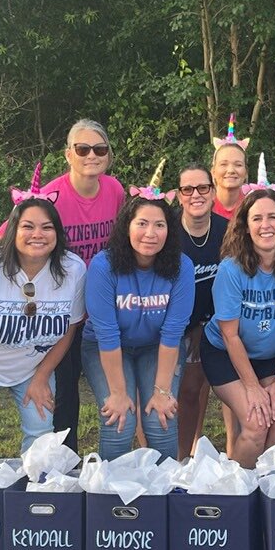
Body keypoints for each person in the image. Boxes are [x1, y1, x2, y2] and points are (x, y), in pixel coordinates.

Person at [0, 119, 126, 452]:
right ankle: (63, 461)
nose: (91, 155)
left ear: (108, 155)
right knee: (64, 389)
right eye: (82, 149)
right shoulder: (50, 197)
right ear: (69, 154)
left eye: (100, 149)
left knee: (116, 385)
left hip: (101, 305)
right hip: (59, 307)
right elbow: (4, 237)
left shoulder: (114, 190)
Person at [0, 193, 86, 459]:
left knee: (41, 430)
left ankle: (33, 485)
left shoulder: (73, 269)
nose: (38, 234)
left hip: (33, 365)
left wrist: (42, 376)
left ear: (58, 233)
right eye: (28, 226)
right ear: (13, 230)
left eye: (47, 227)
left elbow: (69, 329)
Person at [200, 188, 275, 468]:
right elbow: (230, 335)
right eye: (257, 219)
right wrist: (252, 387)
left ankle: (266, 488)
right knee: (256, 424)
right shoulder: (231, 269)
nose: (266, 225)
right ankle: (238, 488)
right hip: (225, 352)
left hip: (272, 356)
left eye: (272, 217)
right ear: (245, 227)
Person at [81, 187, 194, 461]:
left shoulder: (182, 267)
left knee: (160, 419)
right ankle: (109, 486)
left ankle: (163, 485)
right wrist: (119, 393)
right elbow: (107, 334)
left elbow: (173, 332)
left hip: (157, 346)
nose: (150, 233)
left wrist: (162, 392)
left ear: (170, 230)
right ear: (127, 226)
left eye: (159, 225)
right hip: (106, 346)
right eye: (142, 223)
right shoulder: (103, 266)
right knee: (119, 420)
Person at [175, 162, 229, 459]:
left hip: (208, 322)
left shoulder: (227, 231)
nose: (195, 194)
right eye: (187, 189)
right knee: (158, 392)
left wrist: (205, 324)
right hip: (167, 323)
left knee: (191, 390)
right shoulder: (167, 230)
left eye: (203, 187)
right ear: (178, 195)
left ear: (213, 191)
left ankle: (183, 458)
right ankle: (157, 456)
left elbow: (234, 283)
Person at [210, 113, 250, 220]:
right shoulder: (203, 206)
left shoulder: (253, 206)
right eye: (223, 164)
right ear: (213, 172)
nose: (231, 170)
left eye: (238, 165)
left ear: (246, 172)